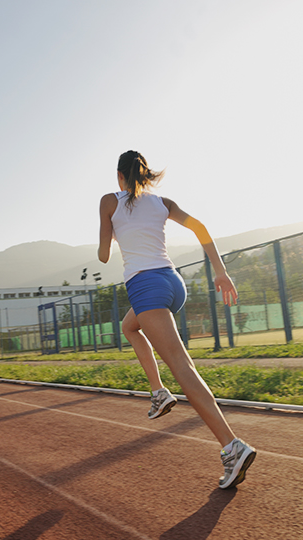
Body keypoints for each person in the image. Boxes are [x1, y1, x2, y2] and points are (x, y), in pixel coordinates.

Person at [98, 150, 256, 489]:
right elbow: (199, 227)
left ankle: (232, 446)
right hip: (172, 282)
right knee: (130, 326)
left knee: (183, 369)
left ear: (119, 177)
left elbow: (102, 254)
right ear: (145, 175)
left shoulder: (109, 201)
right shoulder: (163, 202)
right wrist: (221, 273)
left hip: (145, 285)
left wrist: (112, 232)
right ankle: (158, 392)